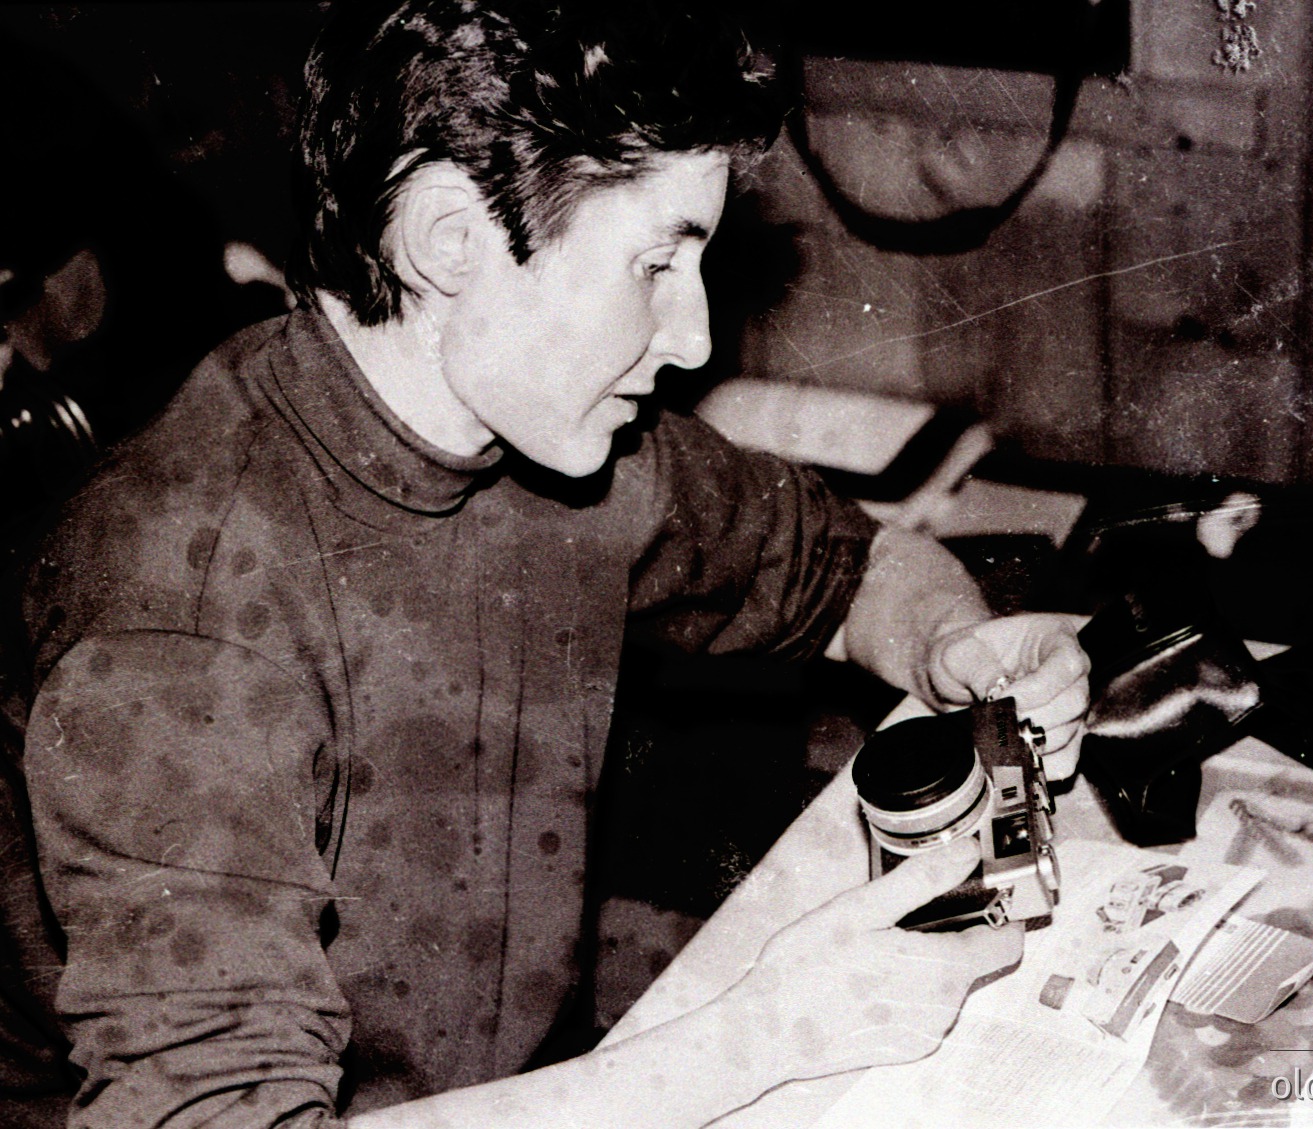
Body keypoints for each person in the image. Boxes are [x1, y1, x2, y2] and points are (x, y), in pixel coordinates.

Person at [15, 1, 1090, 1125]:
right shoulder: (181, 623)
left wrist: (951, 644)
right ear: (447, 238)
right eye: (655, 263)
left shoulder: (559, 439)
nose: (692, 337)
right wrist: (753, 1039)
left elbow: (846, 562)